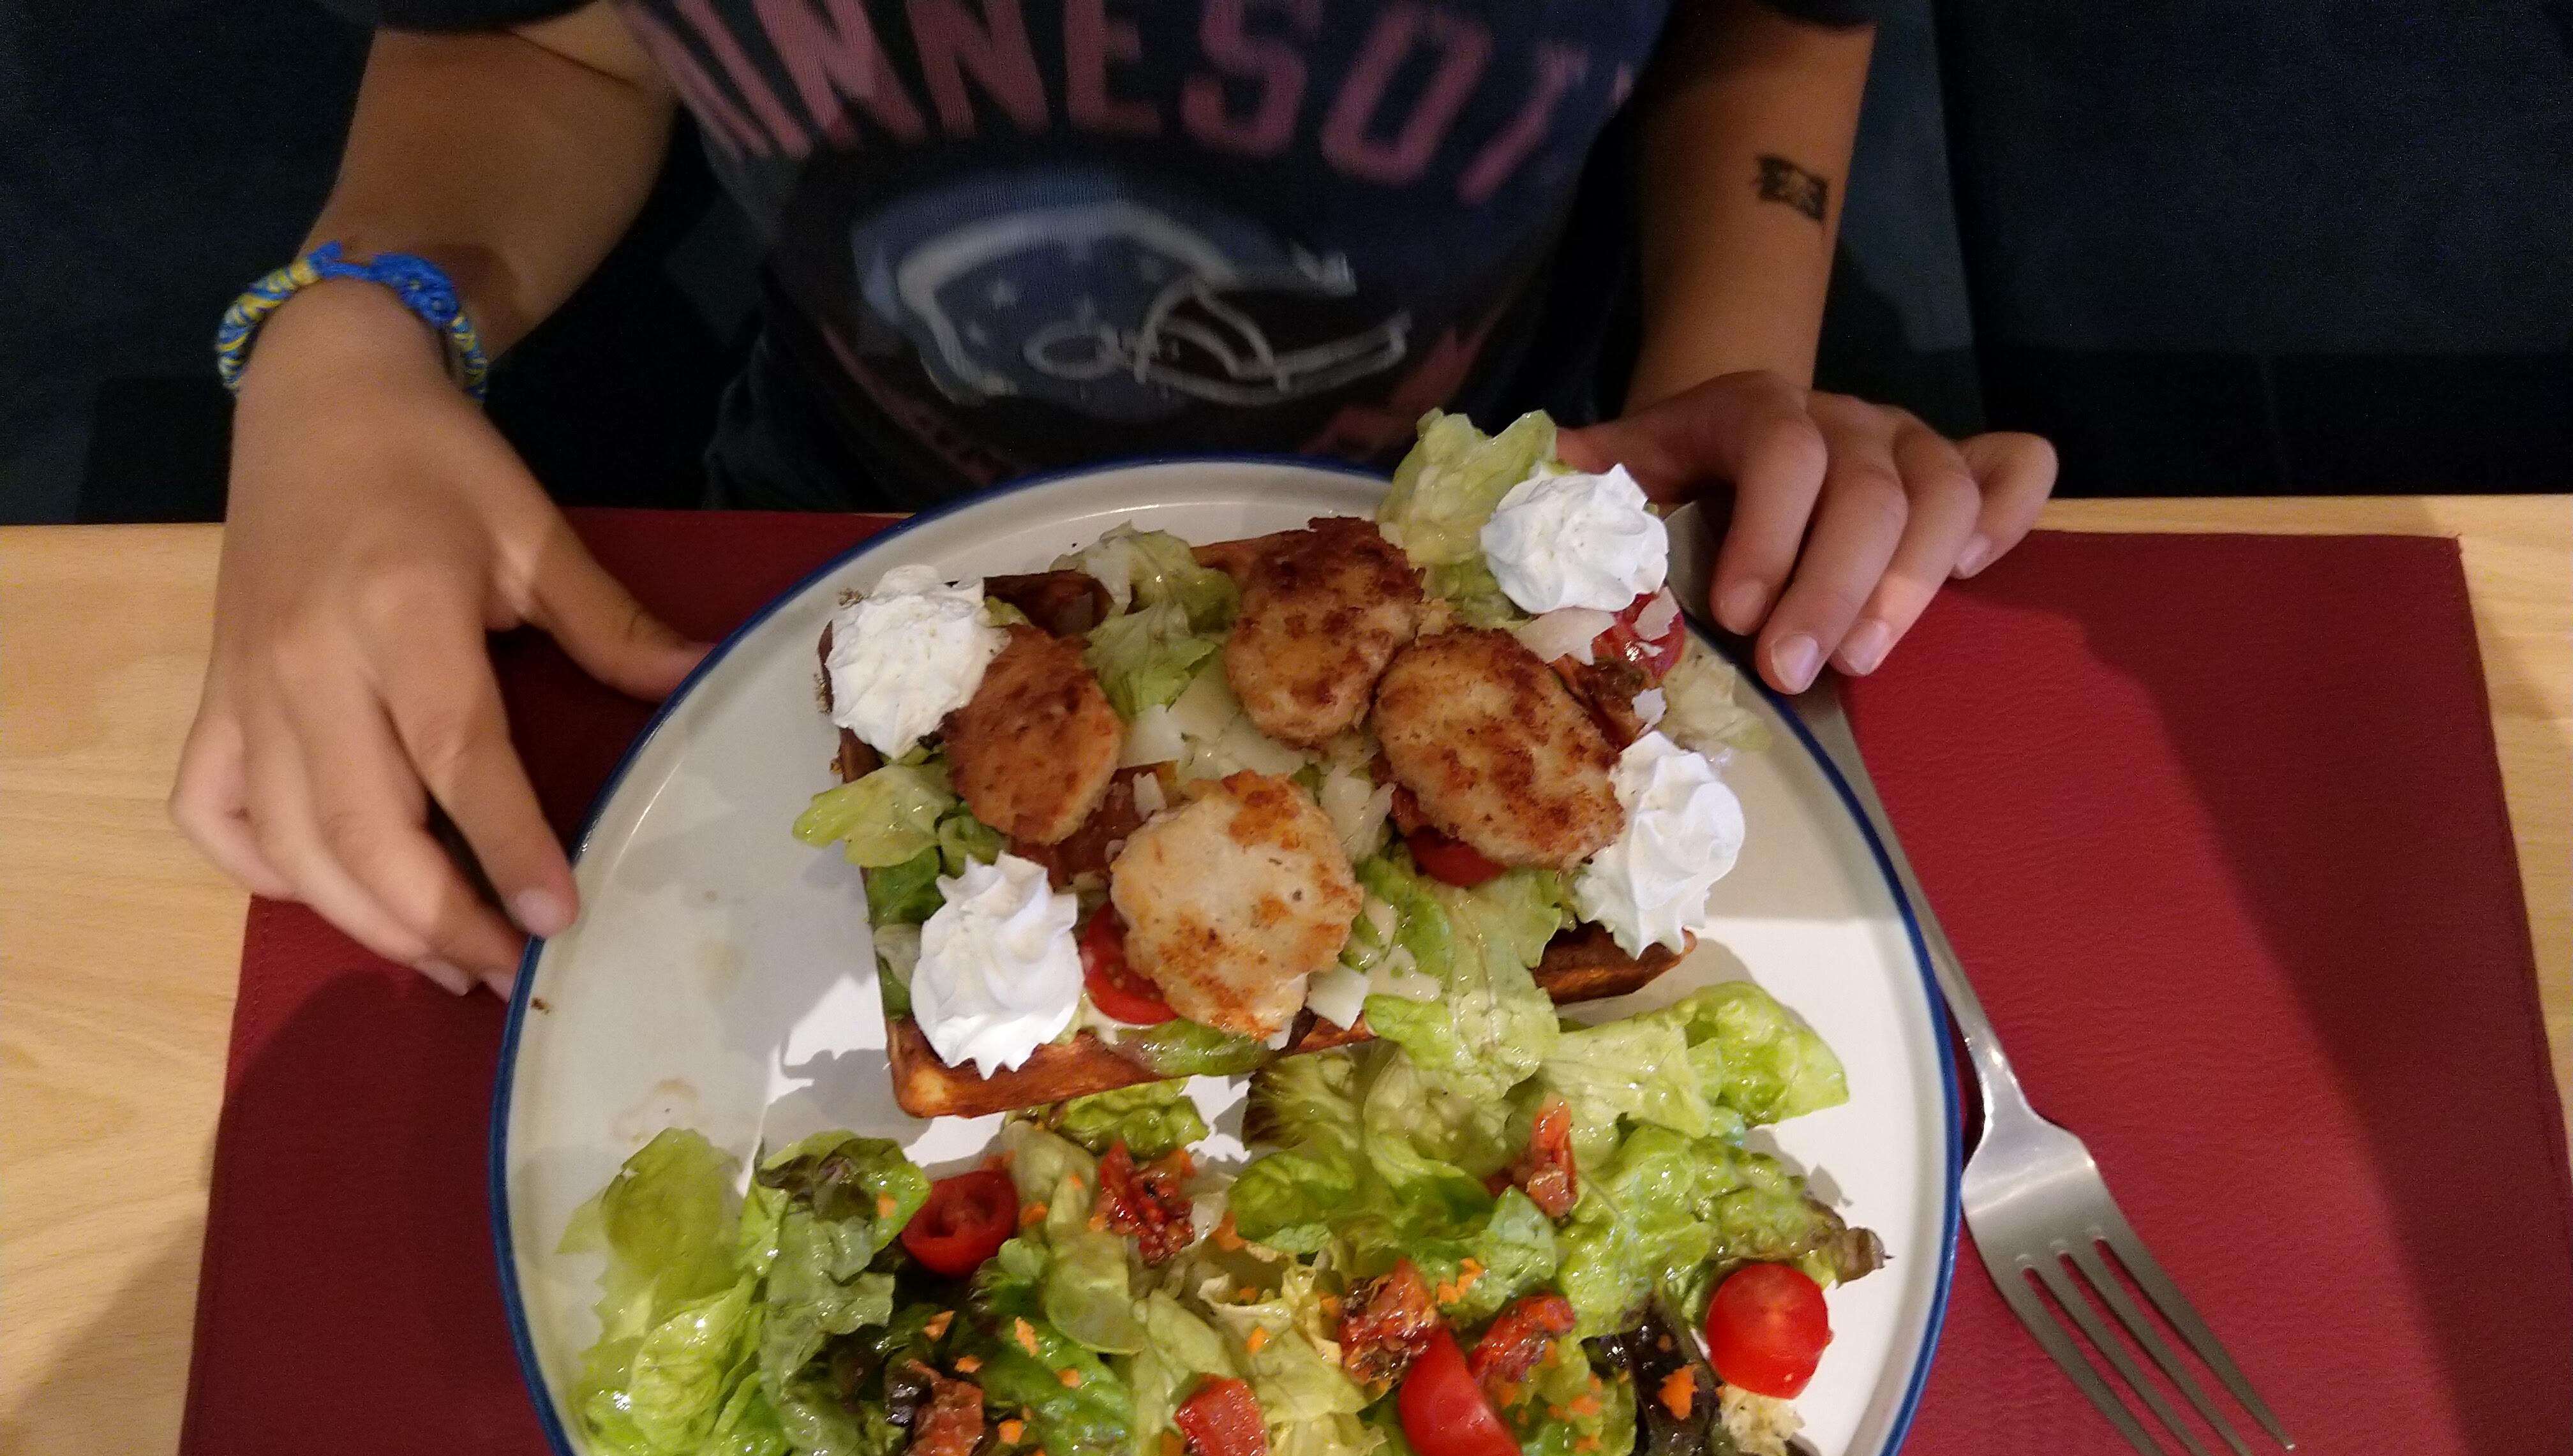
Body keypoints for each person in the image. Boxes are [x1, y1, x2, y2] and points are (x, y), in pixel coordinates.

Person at [172, 0, 2055, 999]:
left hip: (1507, 480)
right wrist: (355, 328)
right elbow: (544, 30)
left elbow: (1773, 22)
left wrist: (1722, 385)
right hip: (823, 512)